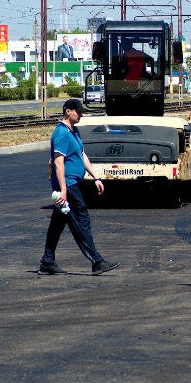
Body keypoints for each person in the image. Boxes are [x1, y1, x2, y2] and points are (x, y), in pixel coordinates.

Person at [39, 98, 119, 276]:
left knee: (57, 224)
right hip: (68, 185)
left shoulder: (74, 131)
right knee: (80, 221)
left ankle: (47, 261)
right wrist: (64, 190)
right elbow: (59, 163)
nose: (81, 114)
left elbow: (82, 155)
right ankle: (97, 261)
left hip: (72, 184)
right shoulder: (61, 134)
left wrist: (95, 177)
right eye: (78, 111)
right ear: (68, 111)